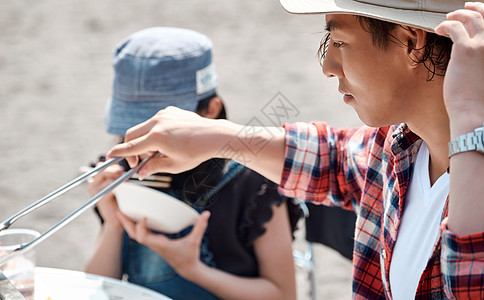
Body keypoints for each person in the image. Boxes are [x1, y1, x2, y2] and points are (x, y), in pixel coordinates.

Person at [106, 1, 484, 299]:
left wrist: (469, 126)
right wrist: (213, 137)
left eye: (338, 42)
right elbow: (335, 159)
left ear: (411, 42)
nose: (328, 66)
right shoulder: (401, 146)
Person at [84, 27, 302, 300]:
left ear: (210, 110)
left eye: (162, 128)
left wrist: (193, 269)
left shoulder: (252, 180)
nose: (144, 142)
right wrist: (113, 222)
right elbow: (97, 288)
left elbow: (283, 294)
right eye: (131, 129)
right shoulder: (123, 170)